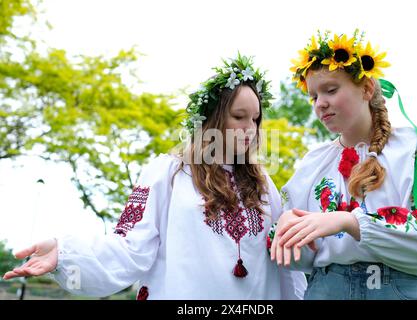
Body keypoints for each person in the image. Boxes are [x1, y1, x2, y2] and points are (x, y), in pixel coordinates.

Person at [3, 54, 307, 299]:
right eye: (239, 117)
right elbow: (130, 245)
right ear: (212, 119)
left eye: (255, 119)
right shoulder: (169, 172)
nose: (250, 128)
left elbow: (283, 263)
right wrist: (67, 254)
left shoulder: (262, 182)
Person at [268, 30, 417, 300]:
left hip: (401, 289)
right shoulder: (313, 163)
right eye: (314, 96)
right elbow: (295, 258)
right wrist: (284, 226)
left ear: (366, 89)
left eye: (330, 90)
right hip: (327, 289)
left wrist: (351, 222)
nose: (321, 104)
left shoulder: (414, 150)